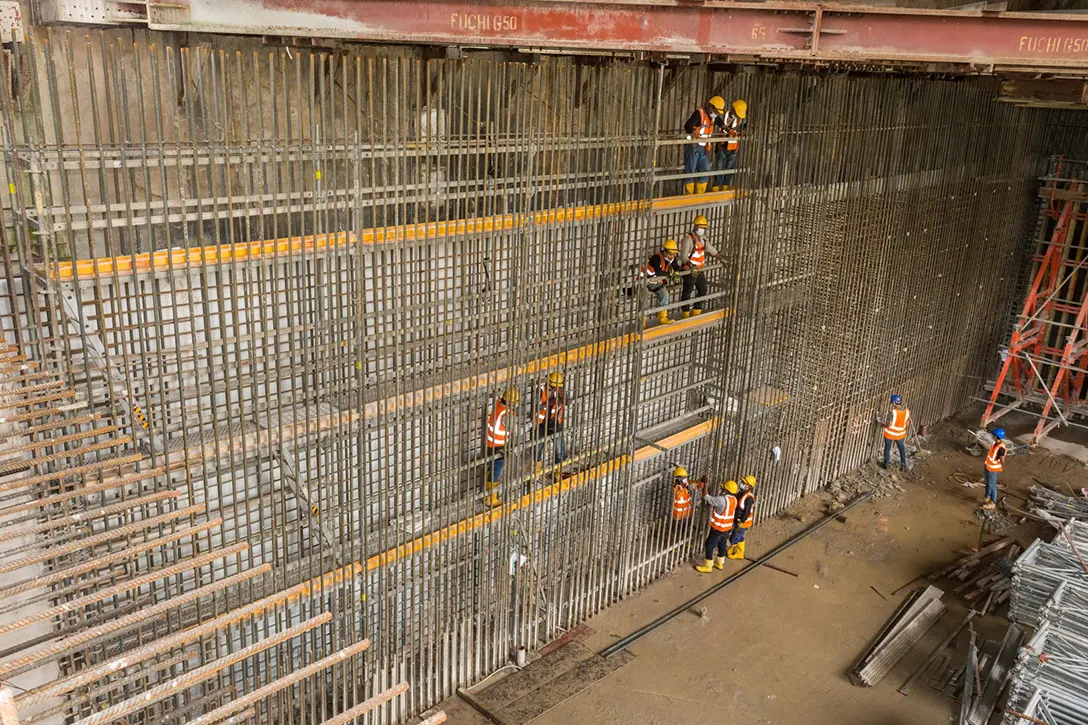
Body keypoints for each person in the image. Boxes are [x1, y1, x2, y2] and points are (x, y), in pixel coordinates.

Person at [678, 215, 722, 318]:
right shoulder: (688, 239)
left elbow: (711, 250)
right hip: (689, 271)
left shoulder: (702, 239)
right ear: (696, 226)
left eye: (704, 228)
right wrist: (691, 266)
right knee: (687, 292)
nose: (703, 230)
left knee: (703, 290)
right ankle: (686, 314)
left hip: (699, 270)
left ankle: (697, 311)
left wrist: (721, 258)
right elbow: (683, 257)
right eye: (701, 227)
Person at [682, 96, 726, 195]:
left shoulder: (713, 117)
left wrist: (728, 130)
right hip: (693, 147)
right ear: (710, 106)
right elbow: (688, 125)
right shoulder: (699, 113)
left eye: (719, 112)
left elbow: (721, 123)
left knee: (705, 171)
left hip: (703, 148)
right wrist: (694, 131)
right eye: (716, 111)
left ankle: (699, 195)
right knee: (690, 171)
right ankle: (689, 196)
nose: (717, 114)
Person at [484, 387, 519, 507]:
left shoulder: (498, 406)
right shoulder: (507, 414)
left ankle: (487, 494)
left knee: (491, 470)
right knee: (495, 472)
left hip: (490, 445)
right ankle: (491, 498)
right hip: (499, 448)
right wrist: (531, 424)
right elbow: (519, 430)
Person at [695, 480, 739, 573]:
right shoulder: (734, 500)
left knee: (709, 545)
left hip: (718, 528)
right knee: (722, 544)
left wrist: (706, 485)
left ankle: (708, 566)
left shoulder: (721, 500)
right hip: (727, 528)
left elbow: (706, 497)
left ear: (726, 490)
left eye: (724, 487)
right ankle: (719, 563)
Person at [639, 239, 681, 327]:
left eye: (674, 254)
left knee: (665, 295)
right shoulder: (656, 258)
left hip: (656, 282)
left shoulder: (671, 258)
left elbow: (676, 266)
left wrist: (676, 272)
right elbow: (658, 272)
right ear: (665, 252)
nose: (672, 256)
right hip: (644, 282)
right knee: (644, 301)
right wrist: (670, 274)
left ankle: (663, 318)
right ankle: (642, 323)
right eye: (670, 254)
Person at [534, 372, 568, 473]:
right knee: (537, 449)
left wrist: (563, 398)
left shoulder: (561, 390)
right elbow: (536, 406)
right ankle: (537, 473)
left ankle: (558, 474)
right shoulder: (540, 390)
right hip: (542, 424)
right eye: (554, 386)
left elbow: (568, 401)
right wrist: (548, 403)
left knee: (559, 451)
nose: (555, 388)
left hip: (556, 423)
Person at [712, 99, 747, 192]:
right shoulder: (723, 116)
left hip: (733, 148)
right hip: (722, 147)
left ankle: (725, 188)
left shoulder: (742, 120)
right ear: (733, 109)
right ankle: (716, 188)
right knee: (719, 168)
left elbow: (743, 131)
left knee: (729, 170)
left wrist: (741, 132)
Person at [727, 475, 757, 559]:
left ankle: (737, 552)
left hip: (743, 522)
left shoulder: (749, 498)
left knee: (734, 538)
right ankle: (739, 551)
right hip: (738, 520)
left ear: (749, 486)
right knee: (738, 536)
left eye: (744, 483)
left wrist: (741, 522)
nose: (742, 484)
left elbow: (746, 512)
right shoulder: (742, 493)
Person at [882, 394, 911, 471]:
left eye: (892, 403)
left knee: (887, 449)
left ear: (894, 403)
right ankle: (903, 465)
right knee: (901, 449)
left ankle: (886, 464)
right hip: (900, 435)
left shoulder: (892, 413)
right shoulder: (907, 412)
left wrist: (884, 424)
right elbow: (907, 423)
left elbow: (889, 424)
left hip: (889, 434)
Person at [981, 428, 1007, 510]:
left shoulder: (1001, 449)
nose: (993, 436)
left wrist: (1000, 457)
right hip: (988, 466)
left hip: (993, 469)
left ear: (997, 436)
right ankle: (987, 497)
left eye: (994, 435)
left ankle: (993, 502)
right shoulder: (995, 443)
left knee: (992, 485)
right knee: (987, 483)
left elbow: (1003, 461)